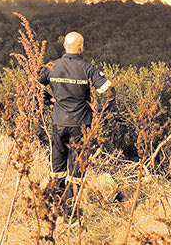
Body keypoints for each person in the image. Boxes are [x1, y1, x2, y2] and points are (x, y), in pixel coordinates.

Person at [38, 31, 115, 218]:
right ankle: (70, 212)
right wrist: (99, 111)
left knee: (57, 168)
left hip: (58, 124)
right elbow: (110, 92)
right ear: (81, 47)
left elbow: (33, 87)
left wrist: (48, 101)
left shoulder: (51, 67)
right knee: (76, 170)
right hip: (81, 125)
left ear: (65, 46)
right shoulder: (89, 69)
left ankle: (50, 206)